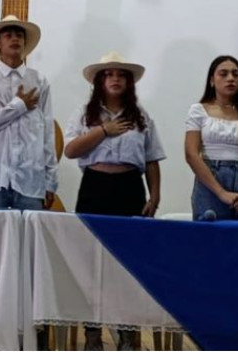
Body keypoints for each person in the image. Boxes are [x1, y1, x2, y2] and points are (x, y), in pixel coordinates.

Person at [63, 52, 165, 350]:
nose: (116, 79)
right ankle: (92, 332)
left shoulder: (141, 116)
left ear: (129, 82)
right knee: (90, 262)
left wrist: (154, 194)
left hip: (130, 187)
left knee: (128, 263)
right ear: (100, 81)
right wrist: (103, 130)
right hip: (95, 186)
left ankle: (127, 331)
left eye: (122, 74)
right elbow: (70, 151)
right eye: (109, 74)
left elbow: (152, 159)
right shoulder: (85, 114)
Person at [0, 14, 58, 211]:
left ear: (25, 43)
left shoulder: (39, 81)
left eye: (19, 35)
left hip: (31, 181)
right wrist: (19, 106)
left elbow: (47, 133)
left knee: (28, 241)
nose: (15, 38)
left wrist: (50, 180)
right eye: (8, 35)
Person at [185, 56, 238, 222]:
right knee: (211, 240)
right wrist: (221, 193)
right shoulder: (198, 111)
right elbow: (191, 154)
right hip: (211, 179)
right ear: (212, 80)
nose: (230, 78)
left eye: (235, 74)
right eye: (223, 74)